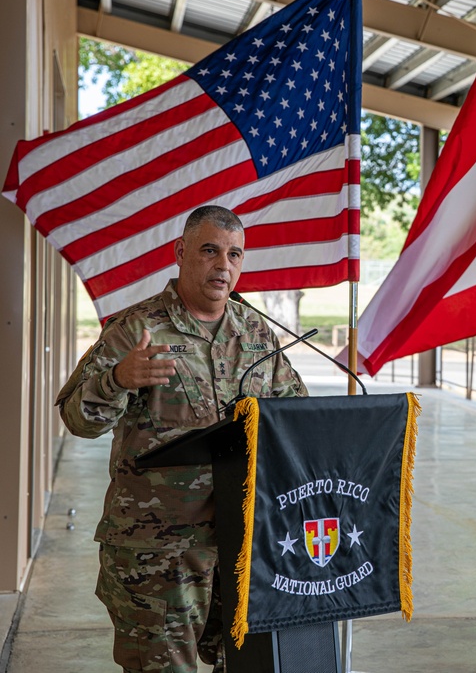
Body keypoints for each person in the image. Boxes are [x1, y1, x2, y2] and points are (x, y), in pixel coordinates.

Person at [56, 205, 307, 673]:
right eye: (210, 250)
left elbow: (293, 415)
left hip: (241, 545)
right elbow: (78, 419)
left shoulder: (254, 331)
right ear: (180, 253)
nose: (223, 265)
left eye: (234, 254)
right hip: (158, 554)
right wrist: (118, 380)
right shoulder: (137, 329)